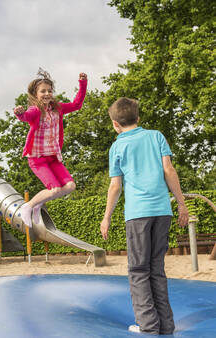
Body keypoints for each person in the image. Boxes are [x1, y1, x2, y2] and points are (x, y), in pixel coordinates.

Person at [100, 97, 189, 335]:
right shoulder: (156, 136)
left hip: (138, 214)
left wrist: (106, 216)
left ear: (114, 124)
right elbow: (169, 170)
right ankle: (166, 325)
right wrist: (181, 204)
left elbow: (115, 186)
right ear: (138, 118)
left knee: (139, 270)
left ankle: (148, 326)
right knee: (156, 268)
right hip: (162, 211)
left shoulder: (117, 146)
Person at [14, 68, 87, 227]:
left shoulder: (58, 108)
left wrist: (82, 84)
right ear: (35, 94)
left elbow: (76, 105)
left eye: (49, 91)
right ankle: (28, 206)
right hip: (38, 159)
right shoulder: (35, 110)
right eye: (43, 91)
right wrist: (19, 113)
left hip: (53, 157)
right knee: (54, 190)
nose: (47, 94)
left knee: (70, 186)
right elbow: (25, 117)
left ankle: (39, 204)